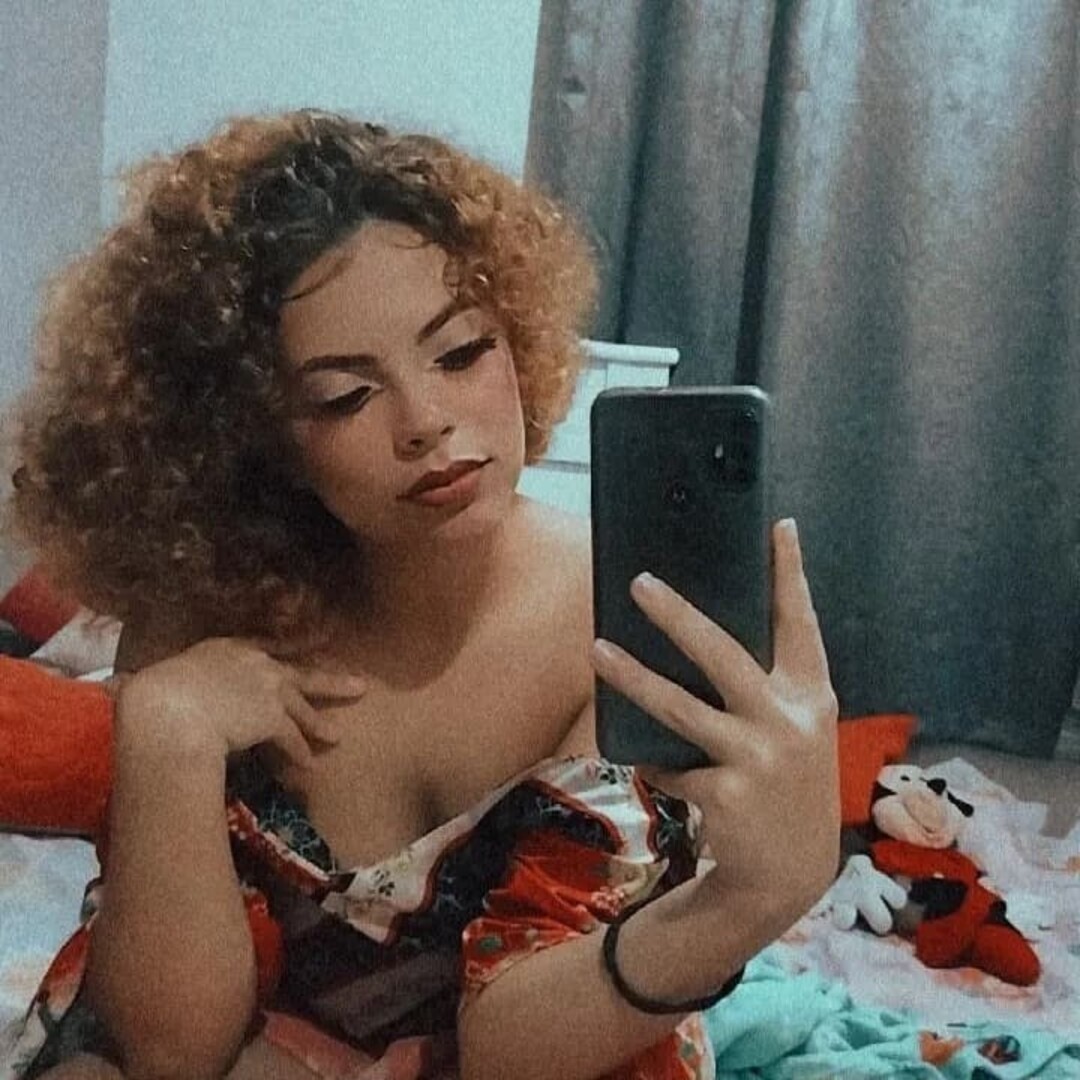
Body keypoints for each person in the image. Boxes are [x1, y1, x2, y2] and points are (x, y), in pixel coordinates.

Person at [2, 109, 840, 1080]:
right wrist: (166, 734)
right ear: (253, 436)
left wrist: (747, 901)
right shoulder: (207, 609)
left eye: (461, 352)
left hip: (568, 1031)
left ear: (517, 336)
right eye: (345, 396)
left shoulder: (614, 623)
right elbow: (169, 1051)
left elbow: (509, 1050)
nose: (426, 422)